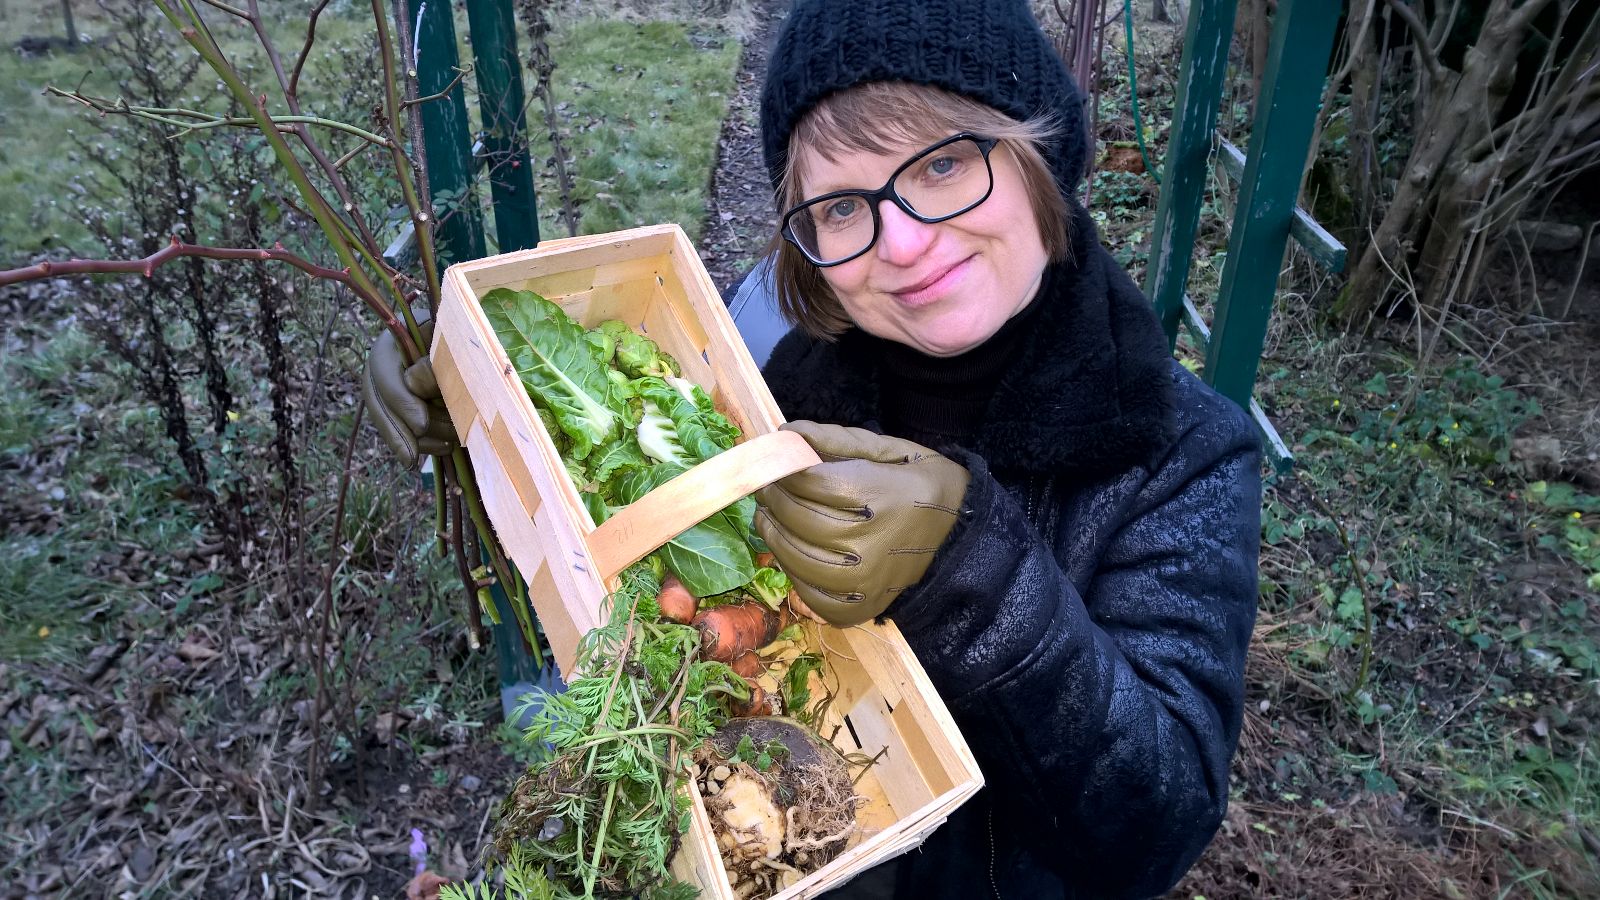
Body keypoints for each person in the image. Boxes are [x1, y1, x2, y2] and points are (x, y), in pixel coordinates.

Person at [368, 1, 1261, 896]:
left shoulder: (1179, 451)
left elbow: (1156, 827)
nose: (904, 244)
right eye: (841, 207)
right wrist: (493, 431)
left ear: (1040, 157)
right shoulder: (777, 386)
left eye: (944, 163)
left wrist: (969, 567)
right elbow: (632, 591)